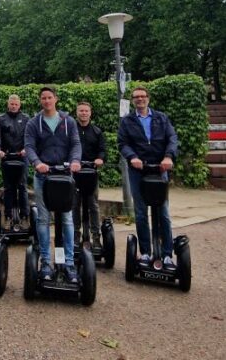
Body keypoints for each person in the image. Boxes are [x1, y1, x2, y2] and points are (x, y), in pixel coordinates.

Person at [24, 86, 82, 284]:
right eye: (43, 98)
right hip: (43, 177)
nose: (47, 101)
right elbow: (29, 146)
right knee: (42, 219)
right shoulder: (34, 123)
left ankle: (69, 263)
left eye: (50, 97)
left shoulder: (68, 121)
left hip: (64, 177)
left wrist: (75, 160)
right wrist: (37, 163)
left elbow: (75, 144)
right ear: (40, 101)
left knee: (66, 219)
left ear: (56, 99)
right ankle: (46, 263)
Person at [117, 86, 179, 268]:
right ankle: (145, 252)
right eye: (136, 97)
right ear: (133, 100)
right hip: (138, 170)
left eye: (143, 96)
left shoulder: (161, 118)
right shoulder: (127, 121)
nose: (140, 99)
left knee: (163, 213)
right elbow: (122, 143)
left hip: (160, 169)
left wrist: (168, 156)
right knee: (141, 213)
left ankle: (167, 254)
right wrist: (132, 157)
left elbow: (172, 138)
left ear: (148, 99)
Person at [73, 101, 107, 249]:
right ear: (77, 113)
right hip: (74, 173)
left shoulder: (97, 131)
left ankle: (96, 237)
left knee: (93, 205)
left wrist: (100, 159)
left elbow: (102, 150)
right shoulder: (71, 130)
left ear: (90, 113)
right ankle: (75, 235)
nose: (84, 113)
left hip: (91, 173)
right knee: (75, 204)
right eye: (81, 111)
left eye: (86, 111)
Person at [0, 94, 30, 227]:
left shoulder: (26, 118)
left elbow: (30, 136)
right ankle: (8, 215)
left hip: (22, 157)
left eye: (16, 104)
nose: (14, 106)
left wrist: (26, 148)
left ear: (19, 105)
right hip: (6, 157)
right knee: (8, 188)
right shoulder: (1, 119)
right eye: (12, 104)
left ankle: (24, 216)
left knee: (22, 187)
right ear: (8, 104)